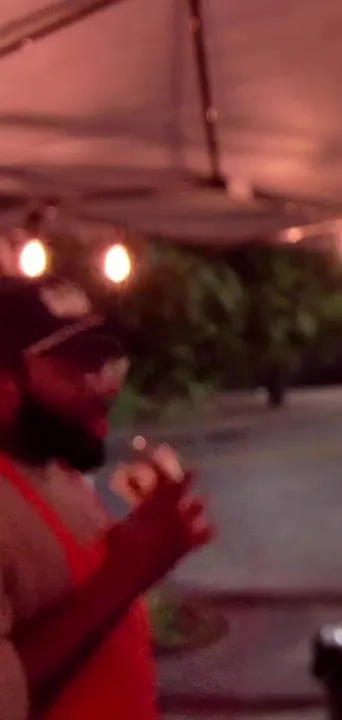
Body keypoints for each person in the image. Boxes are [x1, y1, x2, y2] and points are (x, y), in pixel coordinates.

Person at [0, 275, 214, 720]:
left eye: (104, 364)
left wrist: (150, 541)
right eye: (74, 368)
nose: (104, 387)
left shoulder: (57, 470)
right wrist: (128, 574)